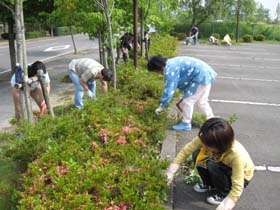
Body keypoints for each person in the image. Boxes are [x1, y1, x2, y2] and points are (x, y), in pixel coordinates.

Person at [166, 118, 254, 210]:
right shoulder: (207, 138)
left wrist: (226, 205)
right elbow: (185, 151)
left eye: (207, 146)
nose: (203, 145)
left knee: (212, 164)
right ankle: (210, 185)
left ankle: (223, 193)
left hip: (242, 176)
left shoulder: (237, 155)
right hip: (221, 163)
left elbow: (237, 187)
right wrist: (171, 172)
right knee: (197, 154)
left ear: (220, 145)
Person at [147, 55, 217, 131]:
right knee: (202, 101)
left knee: (188, 101)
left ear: (158, 67)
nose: (159, 74)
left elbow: (169, 89)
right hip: (205, 73)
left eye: (156, 72)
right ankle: (212, 121)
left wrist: (162, 106)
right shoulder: (171, 62)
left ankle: (186, 123)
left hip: (200, 77)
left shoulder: (169, 69)